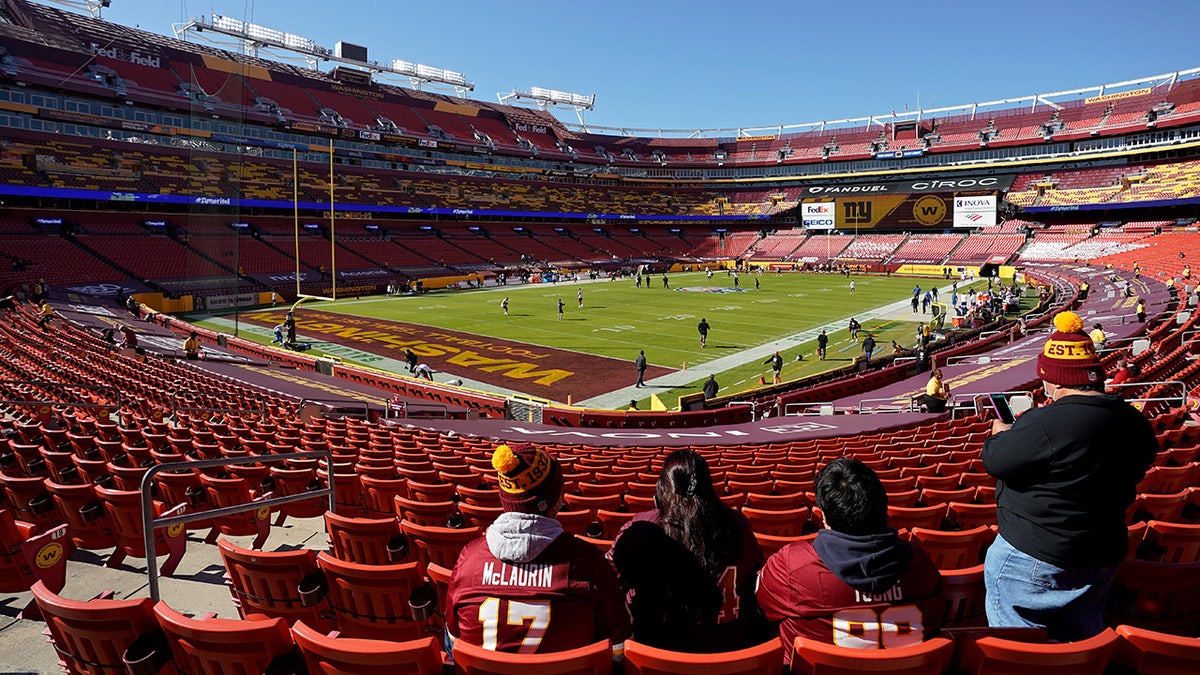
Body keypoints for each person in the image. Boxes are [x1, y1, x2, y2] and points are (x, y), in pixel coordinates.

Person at [981, 311, 1158, 642]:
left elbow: (995, 460)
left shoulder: (1045, 422)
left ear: (1055, 379)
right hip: (1101, 553)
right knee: (1077, 644)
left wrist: (1001, 433)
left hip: (1034, 556)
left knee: (1024, 655)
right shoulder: (1133, 421)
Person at [756, 457, 944, 664]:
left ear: (824, 518)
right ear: (883, 509)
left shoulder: (792, 566)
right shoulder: (920, 563)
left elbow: (760, 609)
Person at [447, 444, 630, 655]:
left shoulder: (469, 559)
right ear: (553, 500)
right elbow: (618, 648)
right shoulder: (588, 563)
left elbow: (455, 639)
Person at [609, 449, 769, 652]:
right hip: (731, 656)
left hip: (659, 660)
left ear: (662, 490)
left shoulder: (643, 527)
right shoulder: (738, 524)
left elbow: (607, 582)